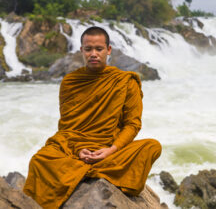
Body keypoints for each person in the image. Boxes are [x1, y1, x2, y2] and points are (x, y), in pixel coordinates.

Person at [23, 26, 162, 208]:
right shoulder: (70, 82)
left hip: (109, 148)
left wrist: (110, 150)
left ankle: (79, 170)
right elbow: (66, 128)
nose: (93, 54)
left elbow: (132, 125)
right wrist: (79, 149)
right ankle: (93, 170)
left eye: (99, 49)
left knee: (152, 146)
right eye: (88, 49)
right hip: (75, 146)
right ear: (81, 51)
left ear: (108, 50)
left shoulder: (125, 81)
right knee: (40, 160)